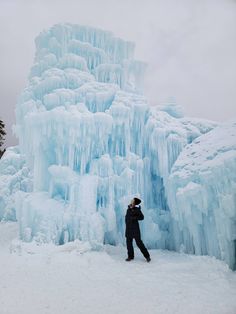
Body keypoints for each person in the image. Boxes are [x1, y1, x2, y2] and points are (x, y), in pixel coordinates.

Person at [125, 197, 151, 262]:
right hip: (128, 229)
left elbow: (142, 217)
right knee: (129, 244)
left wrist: (134, 218)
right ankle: (130, 256)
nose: (131, 201)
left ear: (134, 203)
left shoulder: (137, 209)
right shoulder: (128, 209)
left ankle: (147, 256)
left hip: (135, 229)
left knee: (139, 243)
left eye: (132, 200)